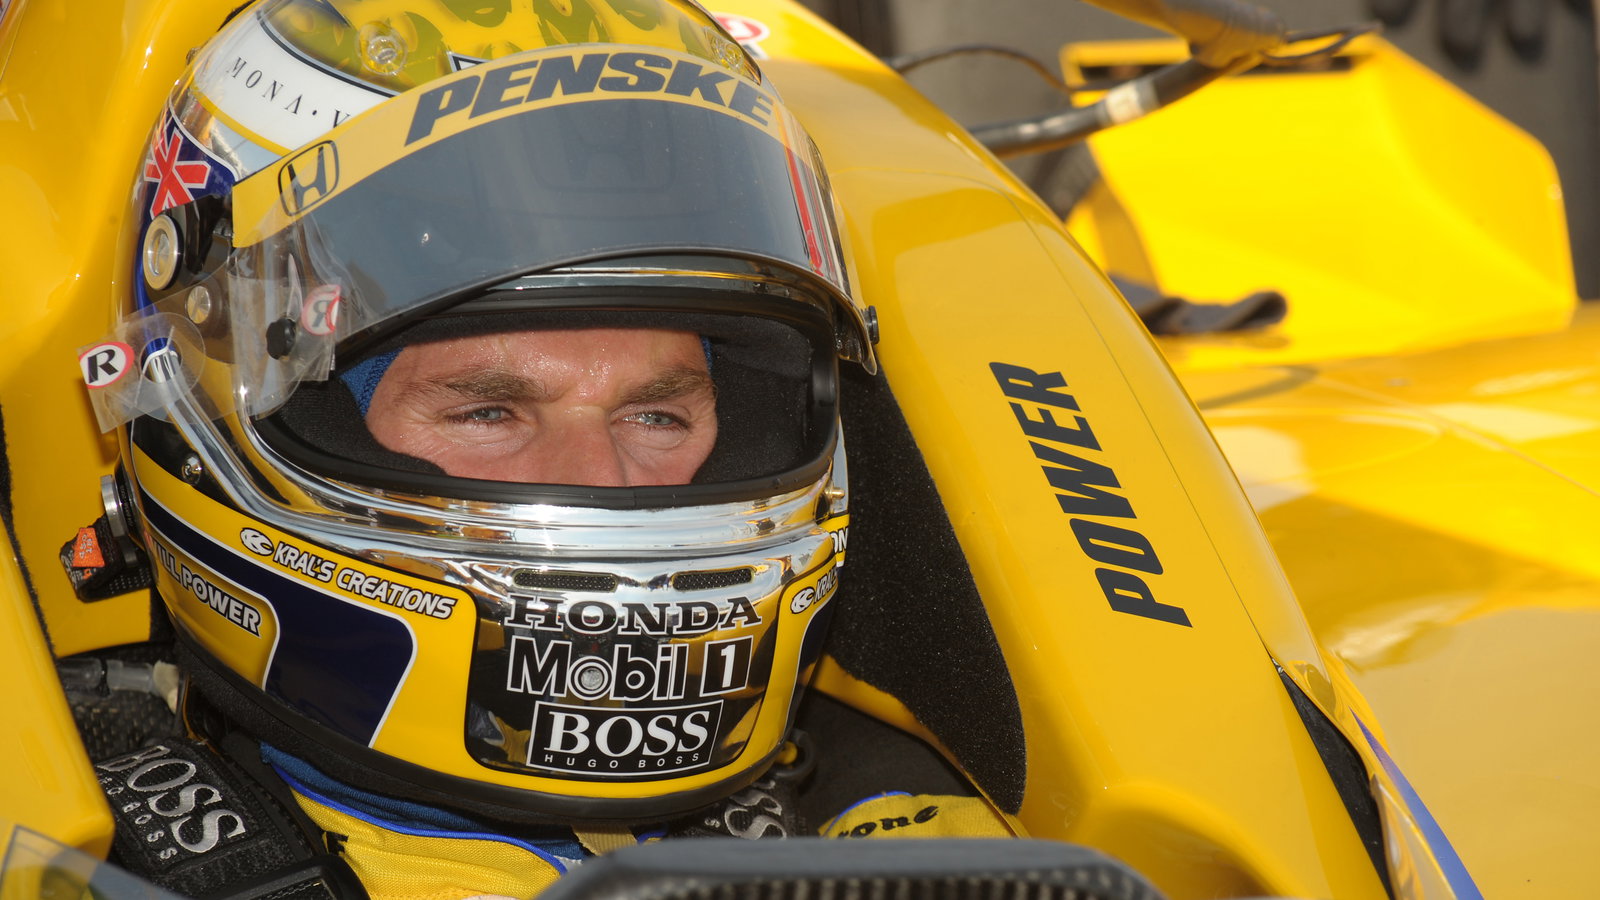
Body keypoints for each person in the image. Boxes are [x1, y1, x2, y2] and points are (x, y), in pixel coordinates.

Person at [78, 1, 1014, 897]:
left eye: (659, 416)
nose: (600, 484)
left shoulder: (941, 826)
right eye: (489, 413)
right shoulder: (69, 846)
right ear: (214, 415)